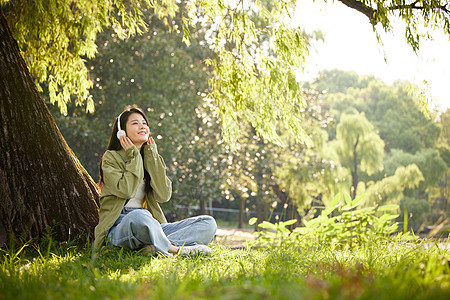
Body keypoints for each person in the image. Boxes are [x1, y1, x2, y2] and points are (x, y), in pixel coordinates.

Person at [93, 105, 217, 257]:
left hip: (151, 226)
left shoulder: (150, 158)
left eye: (144, 123)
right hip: (120, 227)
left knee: (207, 223)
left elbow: (163, 195)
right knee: (140, 216)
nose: (142, 126)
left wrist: (152, 157)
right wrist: (133, 155)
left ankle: (153, 247)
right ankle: (174, 249)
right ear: (122, 132)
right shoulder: (111, 158)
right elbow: (126, 190)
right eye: (135, 123)